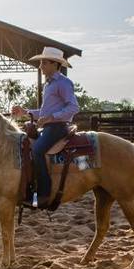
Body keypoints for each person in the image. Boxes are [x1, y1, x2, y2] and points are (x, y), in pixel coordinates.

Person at [12, 47, 80, 205]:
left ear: (55, 64)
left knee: (37, 151)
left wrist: (51, 118)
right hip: (49, 127)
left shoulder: (63, 83)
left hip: (58, 128)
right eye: (40, 62)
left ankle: (44, 193)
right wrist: (25, 112)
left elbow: (73, 107)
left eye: (44, 62)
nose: (40, 66)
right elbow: (44, 112)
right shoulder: (48, 84)